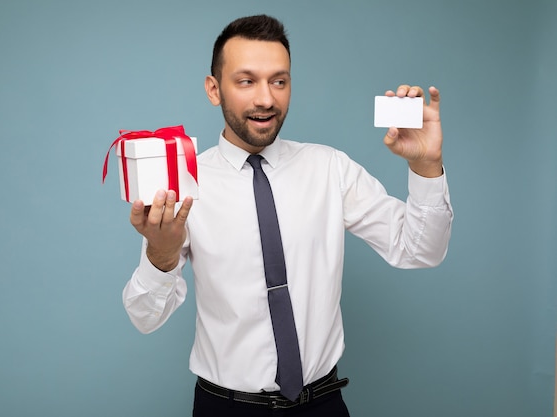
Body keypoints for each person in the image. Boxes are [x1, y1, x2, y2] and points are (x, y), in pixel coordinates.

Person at [122, 14, 453, 417]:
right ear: (214, 89)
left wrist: (426, 166)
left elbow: (420, 251)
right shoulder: (185, 185)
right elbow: (145, 317)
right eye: (246, 81)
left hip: (323, 405)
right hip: (226, 409)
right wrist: (162, 255)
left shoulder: (330, 168)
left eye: (279, 81)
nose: (266, 98)